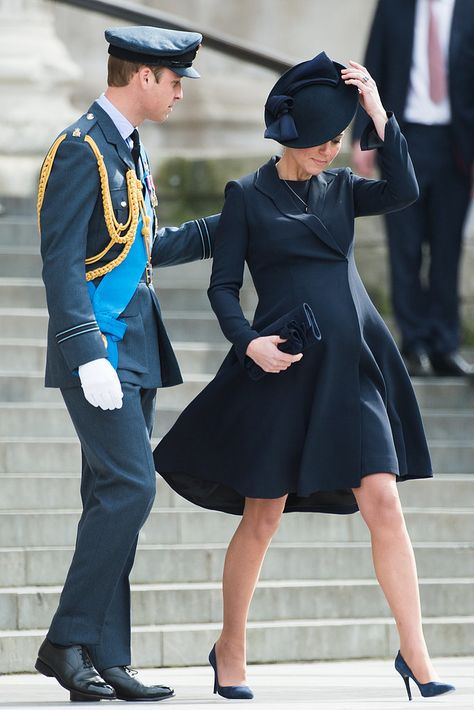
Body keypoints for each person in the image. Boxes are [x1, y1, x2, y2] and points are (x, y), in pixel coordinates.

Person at [153, 52, 455, 701]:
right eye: (321, 141)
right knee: (262, 518)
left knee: (385, 501)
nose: (330, 150)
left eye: (338, 139)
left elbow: (403, 189)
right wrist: (248, 344)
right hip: (284, 371)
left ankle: (416, 653)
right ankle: (229, 646)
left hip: (354, 368)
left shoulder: (343, 187)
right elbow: (225, 288)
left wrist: (377, 108)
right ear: (289, 138)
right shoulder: (247, 196)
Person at [36, 25, 218, 703]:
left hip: (136, 347)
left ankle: (105, 656)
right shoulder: (81, 149)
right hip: (100, 350)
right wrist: (85, 354)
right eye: (173, 81)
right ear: (142, 77)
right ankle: (65, 641)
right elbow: (60, 265)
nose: (177, 93)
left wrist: (229, 222)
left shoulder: (127, 147)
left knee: (108, 498)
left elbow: (142, 246)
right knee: (132, 489)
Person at [352, 0, 474, 377]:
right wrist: (362, 136)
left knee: (446, 248)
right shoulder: (394, 6)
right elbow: (373, 64)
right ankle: (414, 344)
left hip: (457, 147)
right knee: (404, 247)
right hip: (404, 138)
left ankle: (444, 345)